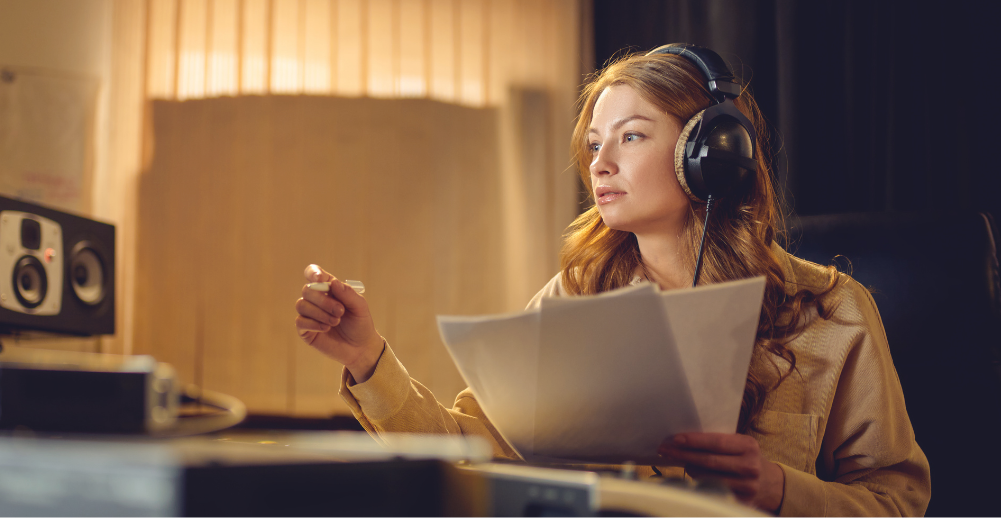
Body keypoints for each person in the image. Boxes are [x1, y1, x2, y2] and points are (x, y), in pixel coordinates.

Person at [293, 44, 930, 516]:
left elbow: (899, 499)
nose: (600, 163)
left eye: (630, 137)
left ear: (708, 154)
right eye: (595, 143)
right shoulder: (572, 300)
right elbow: (474, 448)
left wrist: (778, 490)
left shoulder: (835, 312)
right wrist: (368, 357)